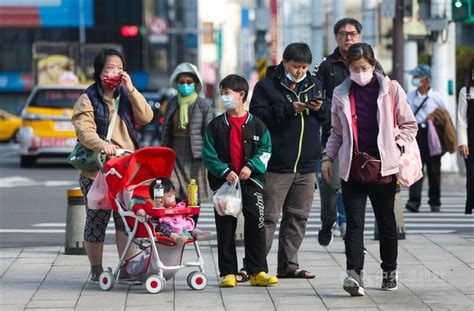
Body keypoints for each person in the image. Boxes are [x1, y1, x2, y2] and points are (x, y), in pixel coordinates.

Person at [321, 43, 418, 296]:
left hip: (383, 169)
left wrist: (396, 147)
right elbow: (337, 132)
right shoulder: (341, 92)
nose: (359, 72)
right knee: (353, 225)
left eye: (363, 67)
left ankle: (389, 273)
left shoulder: (391, 89)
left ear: (373, 65)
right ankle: (354, 276)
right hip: (352, 169)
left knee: (386, 224)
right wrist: (327, 157)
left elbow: (409, 126)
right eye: (354, 68)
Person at [71, 48, 154, 282]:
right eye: (110, 68)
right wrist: (102, 145)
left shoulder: (126, 95)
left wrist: (132, 89)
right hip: (97, 171)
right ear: (99, 72)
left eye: (119, 67)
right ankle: (96, 268)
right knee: (97, 220)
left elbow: (146, 117)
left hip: (127, 169)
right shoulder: (87, 98)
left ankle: (127, 267)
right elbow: (85, 132)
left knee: (126, 220)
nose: (115, 72)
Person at [249, 42, 326, 279]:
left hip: (306, 165)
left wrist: (320, 108)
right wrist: (288, 108)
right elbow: (258, 117)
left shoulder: (314, 84)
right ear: (284, 62)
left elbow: (326, 117)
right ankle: (255, 267)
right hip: (276, 165)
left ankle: (289, 265)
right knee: (269, 217)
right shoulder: (267, 86)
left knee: (298, 217)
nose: (300, 71)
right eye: (296, 66)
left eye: (304, 67)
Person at [313, 18, 386, 246]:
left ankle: (350, 230)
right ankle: (328, 221)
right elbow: (316, 96)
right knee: (330, 186)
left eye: (353, 33)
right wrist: (333, 111)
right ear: (336, 37)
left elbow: (387, 96)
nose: (348, 38)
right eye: (343, 34)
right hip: (334, 137)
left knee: (353, 186)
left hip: (366, 142)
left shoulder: (374, 65)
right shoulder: (324, 66)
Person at [203, 74, 278, 288]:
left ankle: (258, 271)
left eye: (227, 94)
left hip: (252, 182)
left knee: (257, 223)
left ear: (241, 95)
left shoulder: (258, 125)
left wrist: (251, 166)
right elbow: (209, 154)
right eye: (222, 94)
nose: (223, 97)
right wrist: (224, 170)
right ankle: (228, 272)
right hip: (225, 184)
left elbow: (266, 150)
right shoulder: (216, 126)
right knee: (225, 225)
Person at [161, 63, 213, 202]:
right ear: (177, 84)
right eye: (182, 82)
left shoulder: (203, 104)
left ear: (195, 83)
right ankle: (179, 221)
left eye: (189, 82)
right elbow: (165, 128)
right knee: (174, 189)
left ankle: (191, 223)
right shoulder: (172, 102)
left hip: (195, 153)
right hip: (174, 150)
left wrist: (209, 154)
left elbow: (209, 132)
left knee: (193, 193)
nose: (185, 85)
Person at [404, 64, 447, 212]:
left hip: (432, 134)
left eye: (418, 76)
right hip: (416, 134)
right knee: (415, 168)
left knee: (434, 169)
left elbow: (445, 117)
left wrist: (435, 117)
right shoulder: (410, 95)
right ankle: (414, 201)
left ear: (426, 79)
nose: (415, 79)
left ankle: (435, 201)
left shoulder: (436, 97)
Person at [131, 178, 213, 245]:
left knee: (188, 224)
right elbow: (138, 205)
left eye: (173, 195)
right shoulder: (152, 204)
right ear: (158, 196)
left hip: (180, 225)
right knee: (163, 227)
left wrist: (190, 202)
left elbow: (184, 203)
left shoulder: (175, 204)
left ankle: (199, 233)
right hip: (167, 226)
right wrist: (140, 210)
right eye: (169, 196)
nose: (173, 198)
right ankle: (176, 238)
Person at [457, 58, 474, 214]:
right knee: (472, 176)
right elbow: (461, 120)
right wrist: (462, 143)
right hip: (471, 141)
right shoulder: (466, 92)